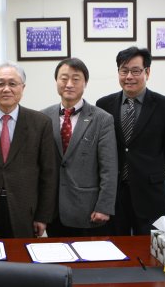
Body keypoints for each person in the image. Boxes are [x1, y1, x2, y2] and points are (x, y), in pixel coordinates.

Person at [96, 47, 165, 235]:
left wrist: (152, 171)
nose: (129, 76)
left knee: (152, 249)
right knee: (115, 250)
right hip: (114, 194)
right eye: (124, 70)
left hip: (150, 193)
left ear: (147, 72)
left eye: (135, 71)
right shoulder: (103, 105)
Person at [0, 61, 57, 238]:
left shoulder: (40, 123)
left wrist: (43, 216)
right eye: (0, 84)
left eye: (12, 84)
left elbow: (49, 174)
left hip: (24, 211)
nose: (6, 89)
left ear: (22, 88)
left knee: (21, 263)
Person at [42, 58, 118, 237]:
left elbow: (109, 167)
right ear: (56, 81)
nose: (69, 84)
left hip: (87, 210)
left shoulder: (102, 119)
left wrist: (104, 207)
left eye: (75, 79)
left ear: (85, 83)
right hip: (53, 210)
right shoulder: (43, 117)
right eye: (64, 78)